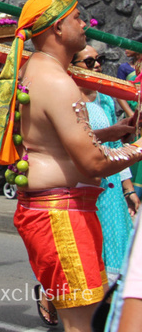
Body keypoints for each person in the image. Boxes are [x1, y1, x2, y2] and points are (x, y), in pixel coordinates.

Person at [0, 0, 142, 332]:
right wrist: (139, 148)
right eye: (76, 19)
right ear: (57, 28)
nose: (85, 24)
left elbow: (53, 141)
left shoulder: (36, 70)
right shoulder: (56, 81)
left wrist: (115, 132)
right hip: (62, 216)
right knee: (81, 324)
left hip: (55, 211)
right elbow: (90, 162)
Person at [72, 45, 139, 281]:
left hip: (111, 185)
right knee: (89, 245)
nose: (97, 65)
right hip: (86, 184)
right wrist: (109, 133)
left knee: (116, 242)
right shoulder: (67, 99)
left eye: (98, 59)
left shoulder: (105, 98)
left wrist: (128, 189)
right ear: (73, 66)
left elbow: (115, 147)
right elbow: (73, 142)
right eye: (89, 62)